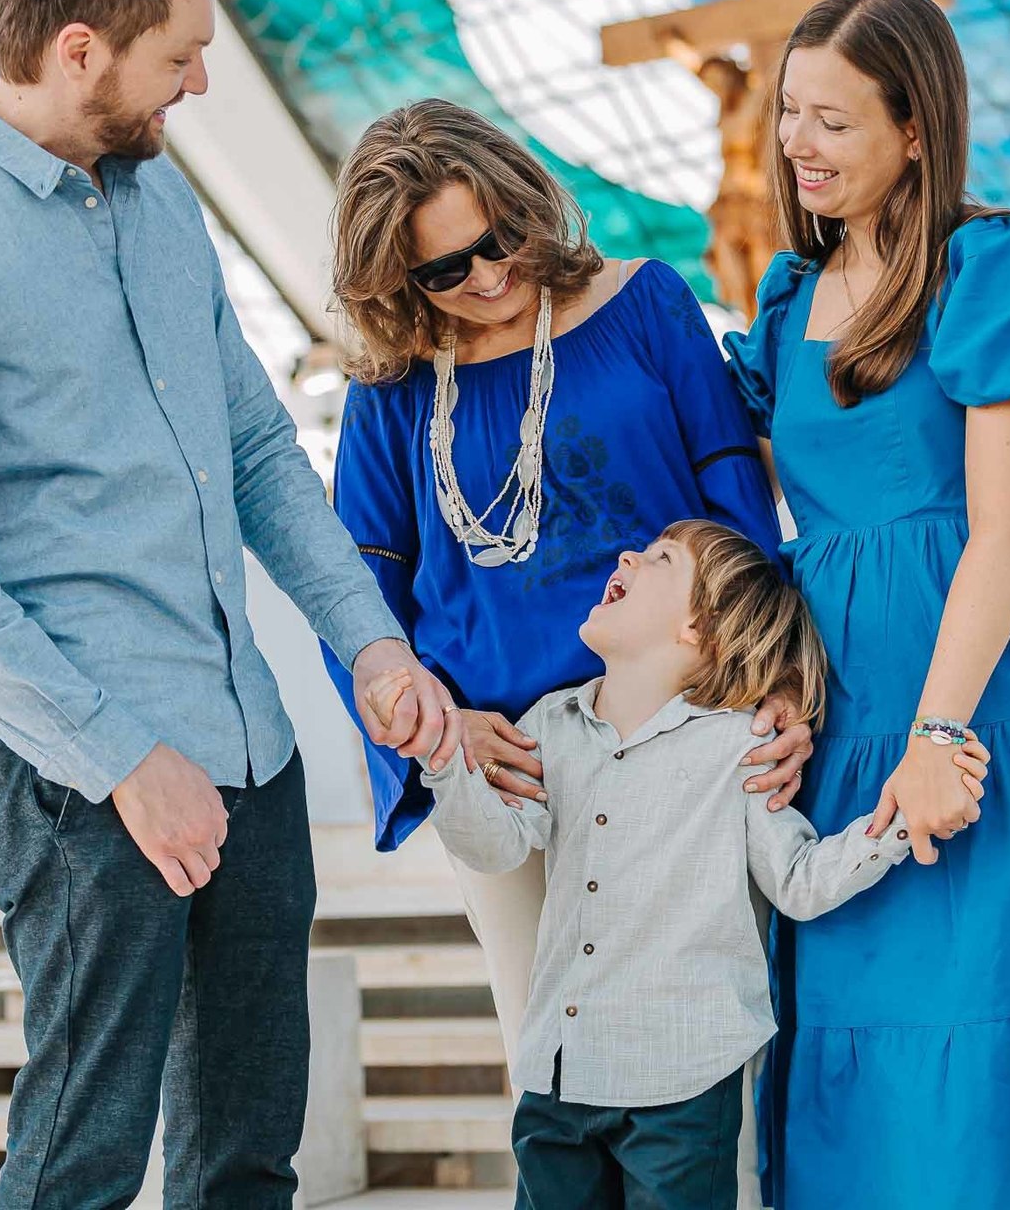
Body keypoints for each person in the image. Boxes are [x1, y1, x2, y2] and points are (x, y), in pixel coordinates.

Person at [0, 0, 455, 1209]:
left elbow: (256, 451)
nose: (199, 84)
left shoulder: (164, 208)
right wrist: (127, 762)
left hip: (251, 748)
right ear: (79, 48)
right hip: (81, 779)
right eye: (179, 57)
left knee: (248, 1162)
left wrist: (371, 646)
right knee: (79, 1164)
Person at [325, 101, 814, 1064]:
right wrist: (435, 726)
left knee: (718, 1053)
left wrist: (778, 681)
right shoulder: (390, 391)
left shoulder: (646, 302)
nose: (489, 275)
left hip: (682, 739)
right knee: (547, 1065)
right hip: (505, 769)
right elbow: (353, 598)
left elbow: (741, 519)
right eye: (447, 270)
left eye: (499, 239)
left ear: (523, 200)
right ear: (396, 278)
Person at [723, 0, 1010, 1209]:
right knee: (854, 1064)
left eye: (834, 121)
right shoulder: (786, 299)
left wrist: (937, 734)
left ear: (917, 127)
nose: (798, 144)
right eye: (790, 112)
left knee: (986, 1047)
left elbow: (1006, 532)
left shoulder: (991, 270)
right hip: (837, 720)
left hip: (978, 715)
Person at [365, 520, 988, 1210]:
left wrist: (899, 821)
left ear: (699, 629)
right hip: (559, 1079)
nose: (626, 554)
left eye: (660, 557)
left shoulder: (742, 747)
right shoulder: (549, 724)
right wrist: (443, 759)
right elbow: (499, 847)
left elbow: (798, 881)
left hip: (682, 1086)